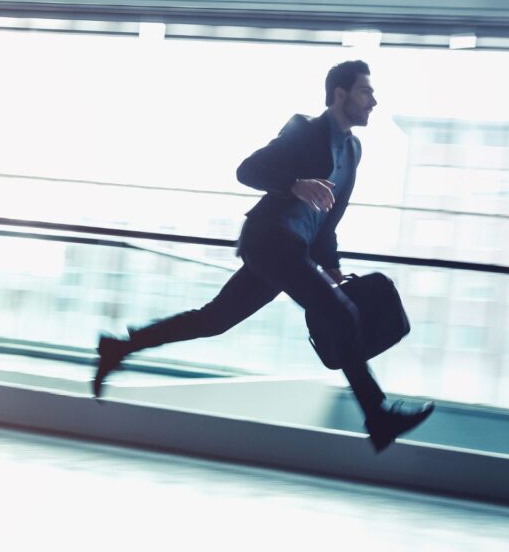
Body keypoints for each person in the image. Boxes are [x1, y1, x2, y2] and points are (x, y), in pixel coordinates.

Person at [93, 60, 434, 452]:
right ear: (340, 95)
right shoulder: (305, 130)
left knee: (215, 319)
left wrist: (332, 266)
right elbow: (248, 169)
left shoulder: (353, 150)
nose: (373, 100)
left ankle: (119, 348)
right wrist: (295, 185)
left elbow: (327, 217)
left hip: (293, 249)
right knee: (340, 314)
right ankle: (378, 416)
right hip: (270, 241)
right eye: (365, 91)